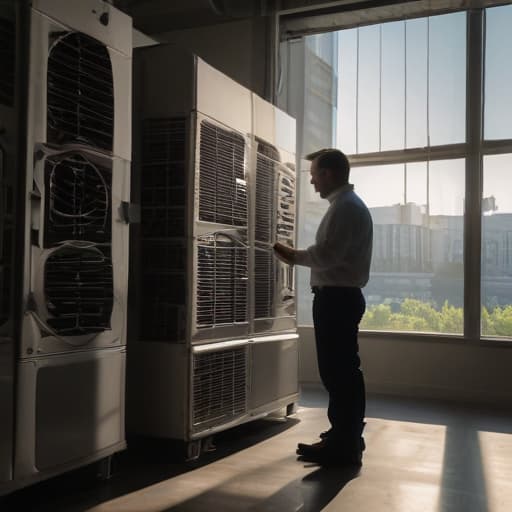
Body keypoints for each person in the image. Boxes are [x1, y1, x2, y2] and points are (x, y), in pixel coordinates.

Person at [274, 148, 373, 467]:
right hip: (341, 297)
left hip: (337, 299)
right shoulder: (347, 206)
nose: (313, 182)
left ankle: (344, 444)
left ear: (329, 174)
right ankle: (345, 436)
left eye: (315, 174)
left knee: (338, 372)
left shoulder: (344, 208)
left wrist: (292, 256)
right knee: (342, 371)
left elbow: (328, 254)